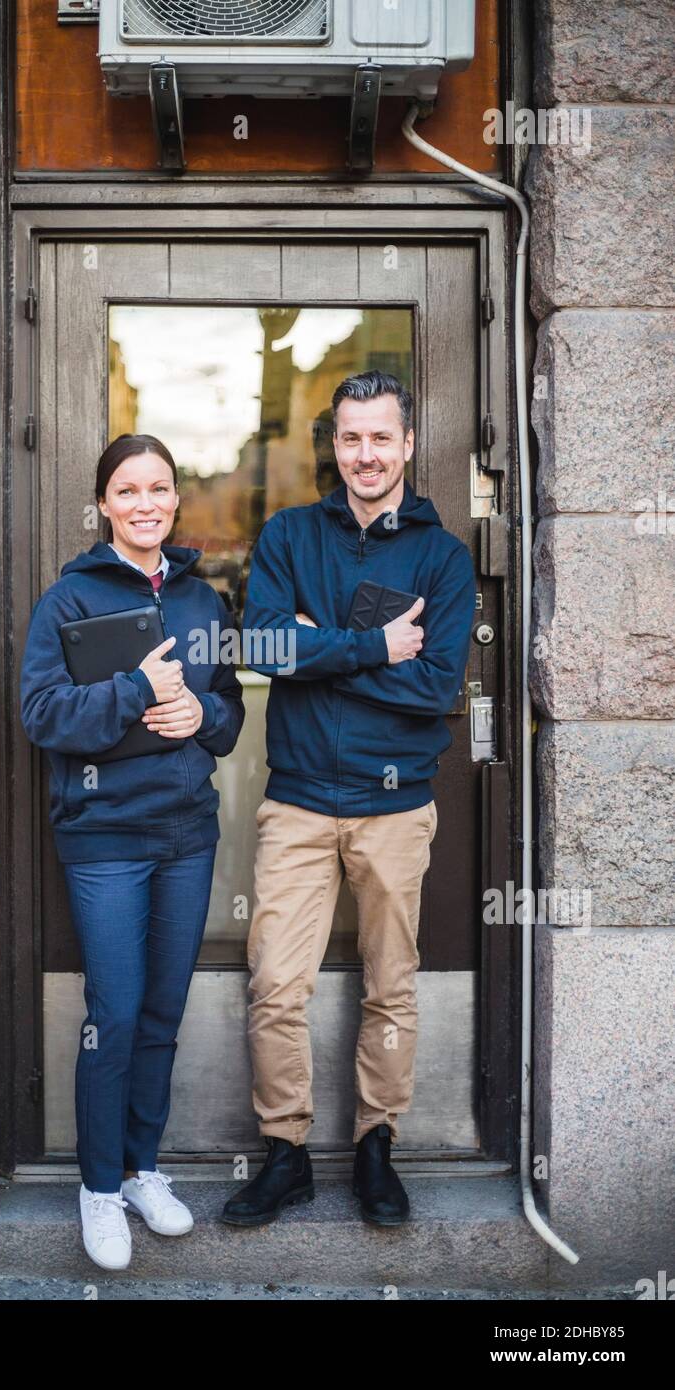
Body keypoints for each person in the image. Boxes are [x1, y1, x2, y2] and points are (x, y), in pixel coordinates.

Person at [222, 370, 476, 1228]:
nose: (366, 454)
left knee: (389, 986)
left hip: (395, 805)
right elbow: (261, 646)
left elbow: (436, 683)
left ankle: (377, 1146)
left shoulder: (441, 557)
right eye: (351, 437)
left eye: (381, 437)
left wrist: (319, 652)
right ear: (335, 445)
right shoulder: (291, 535)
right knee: (275, 985)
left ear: (408, 444)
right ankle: (285, 1152)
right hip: (297, 801)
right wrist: (373, 645)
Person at [20, 433, 244, 1270]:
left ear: (174, 501)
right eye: (128, 490)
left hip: (186, 832)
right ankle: (98, 1189)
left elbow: (229, 711)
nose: (145, 503)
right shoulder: (68, 601)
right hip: (105, 836)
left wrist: (203, 722)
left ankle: (145, 1170)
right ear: (105, 504)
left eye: (159, 489)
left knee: (160, 1012)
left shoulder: (204, 601)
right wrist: (136, 692)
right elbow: (41, 715)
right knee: (112, 1016)